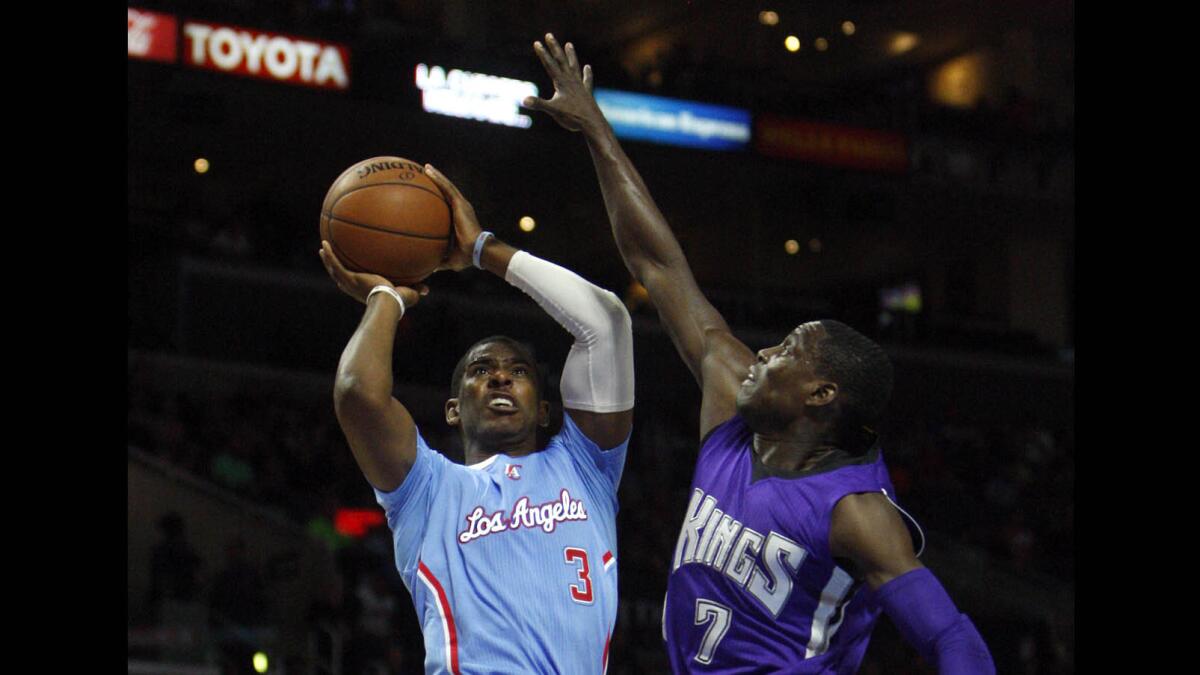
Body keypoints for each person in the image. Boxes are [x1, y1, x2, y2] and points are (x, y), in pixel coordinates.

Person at [525, 34, 995, 673]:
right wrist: (596, 130)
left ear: (821, 395)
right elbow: (657, 263)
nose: (765, 351)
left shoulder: (854, 511)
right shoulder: (729, 401)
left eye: (788, 350)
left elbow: (951, 638)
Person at [318, 163, 634, 674]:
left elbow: (606, 322)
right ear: (453, 409)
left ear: (545, 408)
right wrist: (388, 298)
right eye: (481, 370)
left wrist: (483, 249)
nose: (501, 378)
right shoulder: (428, 491)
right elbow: (358, 394)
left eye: (519, 370)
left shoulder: (586, 467)